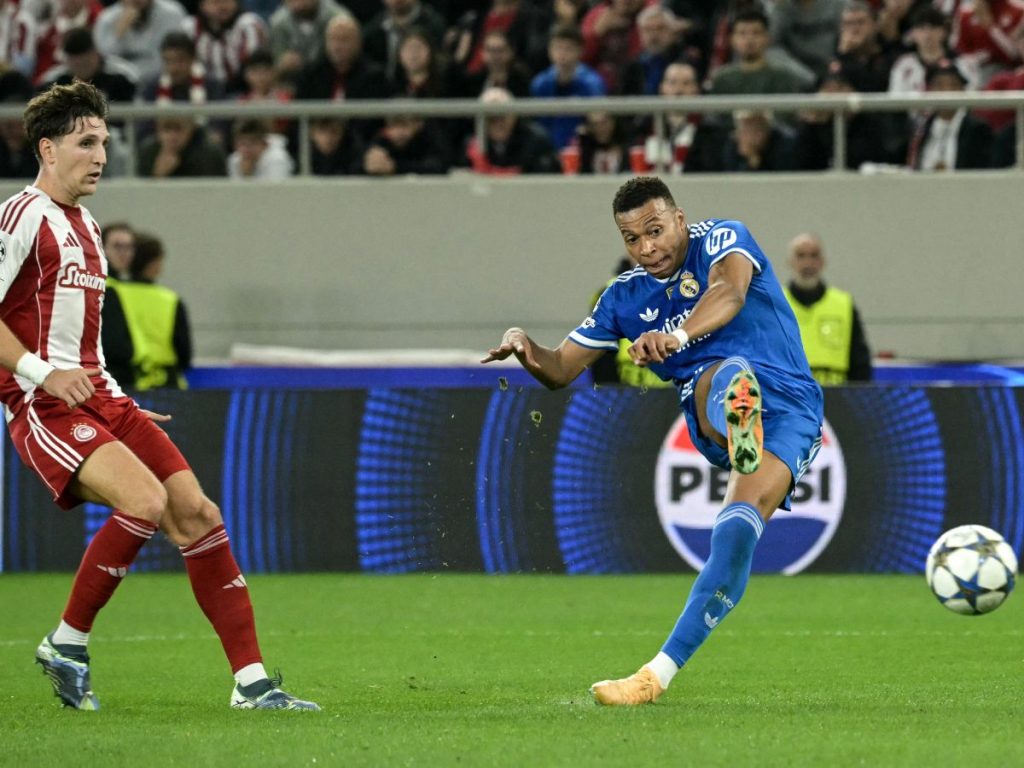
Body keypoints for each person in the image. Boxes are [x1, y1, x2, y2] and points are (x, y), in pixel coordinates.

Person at [3, 81, 318, 710]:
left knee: (199, 515)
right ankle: (66, 643)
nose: (100, 155)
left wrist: (118, 402)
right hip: (44, 406)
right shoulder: (21, 216)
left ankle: (252, 686)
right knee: (144, 502)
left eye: (105, 143)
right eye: (85, 142)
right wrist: (42, 374)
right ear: (47, 148)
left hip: (101, 400)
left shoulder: (89, 226)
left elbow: (84, 343)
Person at [482, 176, 823, 705]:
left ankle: (654, 676)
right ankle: (738, 412)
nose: (647, 248)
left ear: (680, 218)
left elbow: (728, 292)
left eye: (655, 230)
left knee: (734, 536)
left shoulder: (723, 238)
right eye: (632, 239)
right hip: (716, 404)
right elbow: (561, 369)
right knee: (726, 373)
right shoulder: (623, 297)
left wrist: (677, 335)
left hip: (793, 407)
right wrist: (525, 344)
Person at [102, 232, 193, 390]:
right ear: (155, 263)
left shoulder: (110, 292)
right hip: (169, 386)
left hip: (125, 384)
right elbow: (185, 354)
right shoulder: (171, 300)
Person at [783, 233, 872, 384]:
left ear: (823, 262)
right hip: (789, 396)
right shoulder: (776, 303)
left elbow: (860, 362)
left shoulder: (843, 304)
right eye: (801, 256)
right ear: (790, 262)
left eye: (814, 256)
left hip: (836, 398)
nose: (807, 263)